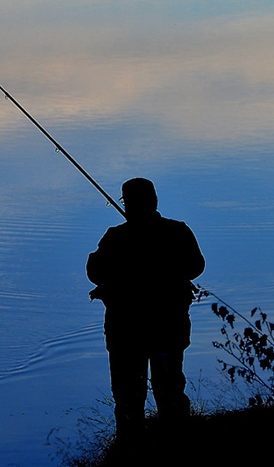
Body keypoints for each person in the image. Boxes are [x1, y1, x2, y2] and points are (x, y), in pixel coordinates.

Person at [86, 177, 204, 443]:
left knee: (128, 396)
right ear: (155, 201)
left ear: (127, 205)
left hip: (126, 332)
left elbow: (94, 272)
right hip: (168, 328)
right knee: (170, 388)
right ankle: (177, 443)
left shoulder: (115, 237)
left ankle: (130, 448)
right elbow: (197, 266)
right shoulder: (178, 231)